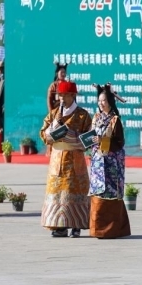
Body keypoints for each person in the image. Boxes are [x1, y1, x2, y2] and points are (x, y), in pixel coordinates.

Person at [39, 80, 92, 238]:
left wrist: (70, 135)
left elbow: (89, 138)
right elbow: (43, 134)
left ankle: (77, 225)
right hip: (57, 159)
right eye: (59, 95)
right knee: (57, 194)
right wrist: (54, 126)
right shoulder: (54, 113)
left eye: (64, 95)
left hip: (74, 158)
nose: (61, 98)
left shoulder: (83, 115)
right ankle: (59, 226)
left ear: (73, 95)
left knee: (74, 192)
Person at [87, 84, 131, 239]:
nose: (101, 103)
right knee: (97, 192)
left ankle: (112, 229)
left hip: (111, 164)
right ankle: (97, 229)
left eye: (104, 100)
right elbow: (92, 136)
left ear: (110, 102)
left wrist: (103, 140)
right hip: (97, 162)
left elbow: (119, 143)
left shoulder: (115, 120)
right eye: (99, 100)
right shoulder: (96, 118)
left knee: (110, 193)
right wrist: (88, 141)